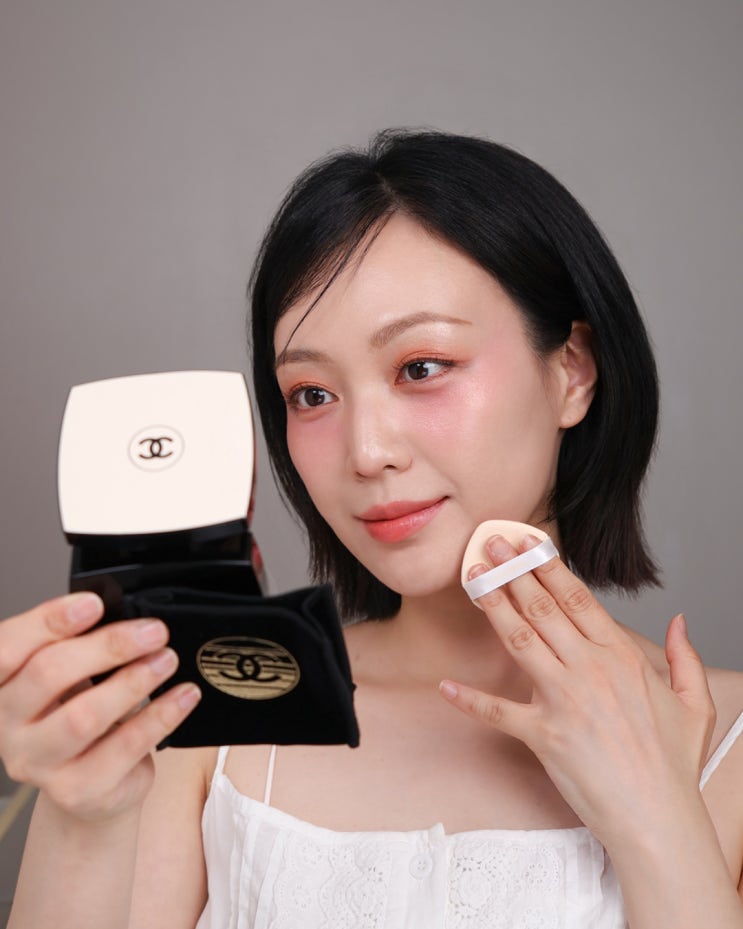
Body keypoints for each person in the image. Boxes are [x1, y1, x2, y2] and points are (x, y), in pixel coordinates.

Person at [2, 130, 742, 929]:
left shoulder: (723, 740)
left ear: (572, 370)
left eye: (420, 367)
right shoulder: (202, 715)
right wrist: (82, 814)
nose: (365, 452)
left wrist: (657, 819)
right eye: (311, 394)